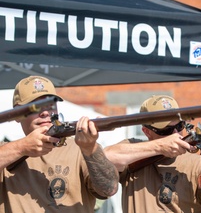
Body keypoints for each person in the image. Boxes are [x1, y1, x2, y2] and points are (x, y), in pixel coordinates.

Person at [104, 95, 201, 213]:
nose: (175, 133)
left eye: (179, 126)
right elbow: (106, 156)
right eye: (166, 129)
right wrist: (159, 147)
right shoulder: (134, 151)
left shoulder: (199, 163)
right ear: (146, 132)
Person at [0, 75, 119, 213]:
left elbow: (109, 188)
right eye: (35, 107)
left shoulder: (81, 148)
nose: (45, 112)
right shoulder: (7, 153)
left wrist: (90, 148)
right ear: (16, 114)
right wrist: (22, 148)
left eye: (50, 106)